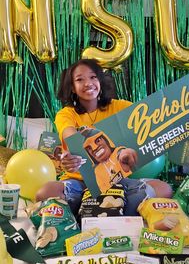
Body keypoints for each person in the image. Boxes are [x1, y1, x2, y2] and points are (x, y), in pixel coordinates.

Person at [35, 58, 172, 216]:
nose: (88, 83)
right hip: (79, 182)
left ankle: (99, 209)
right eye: (80, 79)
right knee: (44, 193)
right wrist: (72, 153)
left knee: (164, 189)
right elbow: (69, 134)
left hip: (116, 181)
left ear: (100, 80)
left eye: (93, 77)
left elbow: (154, 115)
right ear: (72, 87)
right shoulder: (66, 114)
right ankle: (108, 208)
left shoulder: (119, 107)